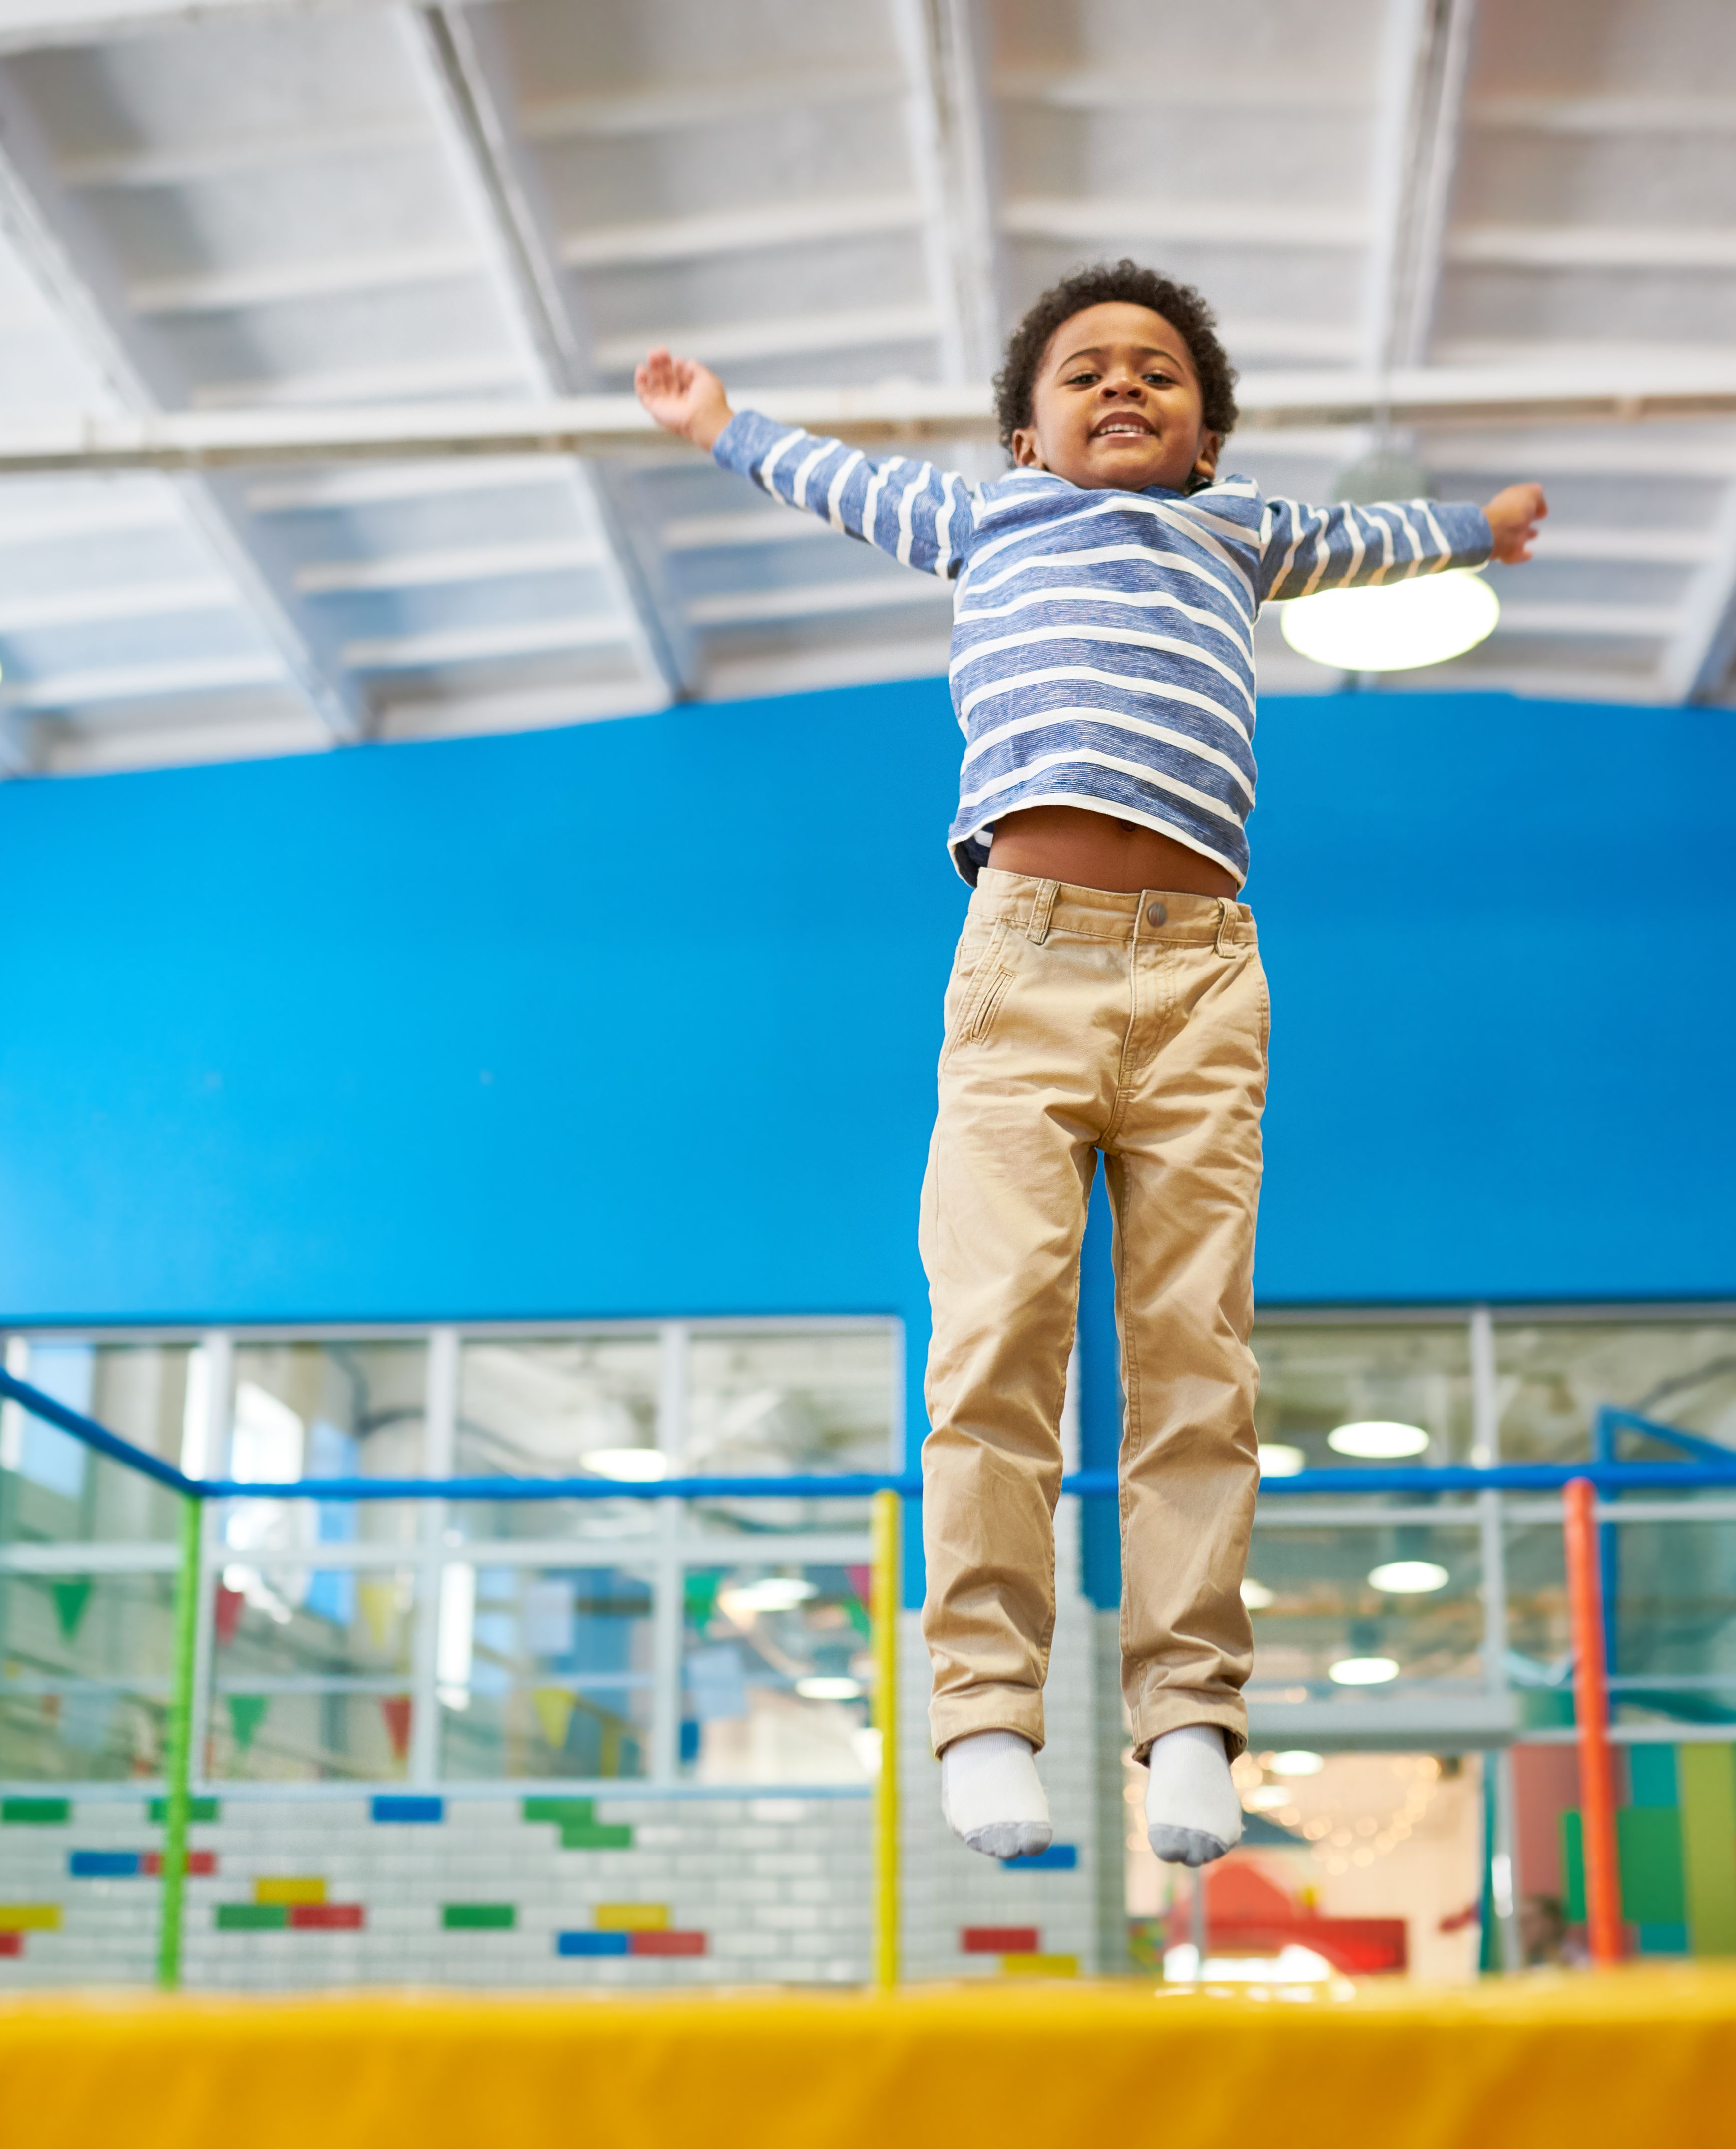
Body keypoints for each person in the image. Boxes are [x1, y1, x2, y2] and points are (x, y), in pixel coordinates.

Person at [635, 261, 1544, 1867]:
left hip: (1206, 977)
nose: (1124, 385)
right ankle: (988, 1710)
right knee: (996, 1338)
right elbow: (835, 481)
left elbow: (1373, 542)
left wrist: (1481, 525)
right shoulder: (989, 521)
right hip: (1025, 962)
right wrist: (721, 424)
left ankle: (1190, 1719)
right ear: (1027, 439)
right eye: (1086, 372)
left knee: (1198, 1355)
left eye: (1159, 372)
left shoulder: (1242, 529)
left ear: (1206, 439)